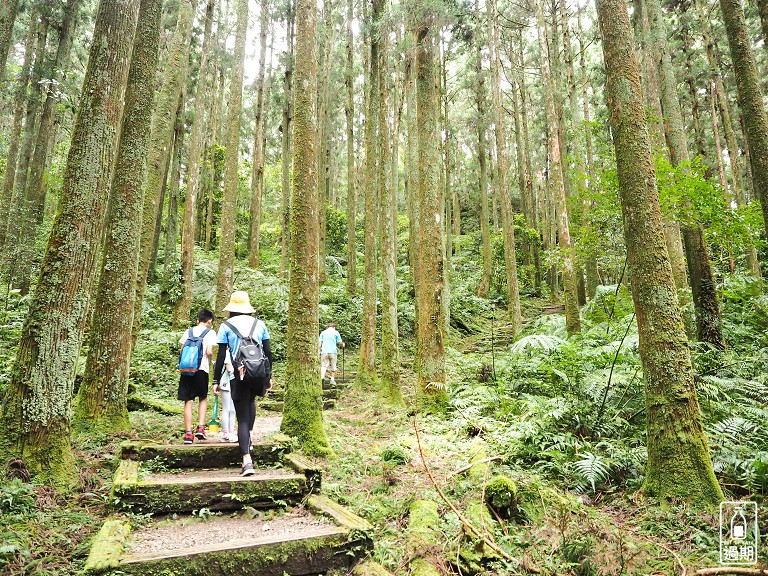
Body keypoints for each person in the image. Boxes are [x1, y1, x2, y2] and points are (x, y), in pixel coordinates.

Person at [213, 291, 272, 476]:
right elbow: (268, 352)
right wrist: (268, 376)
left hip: (237, 375)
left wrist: (215, 380)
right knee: (251, 402)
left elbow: (222, 355)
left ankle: (247, 460)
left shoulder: (226, 326)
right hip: (258, 374)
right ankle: (249, 438)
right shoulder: (259, 324)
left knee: (242, 418)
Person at [178, 308, 217, 444]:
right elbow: (209, 351)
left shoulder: (188, 331)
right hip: (201, 369)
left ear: (198, 320)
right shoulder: (210, 333)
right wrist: (211, 359)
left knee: (188, 400)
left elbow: (182, 349)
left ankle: (188, 434)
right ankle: (200, 427)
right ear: (209, 321)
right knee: (202, 398)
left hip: (187, 370)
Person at [217, 350, 237, 442]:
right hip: (226, 383)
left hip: (235, 384)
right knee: (227, 409)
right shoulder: (228, 353)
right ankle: (226, 433)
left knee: (233, 410)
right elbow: (228, 368)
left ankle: (231, 432)